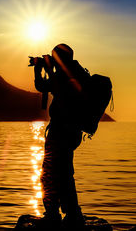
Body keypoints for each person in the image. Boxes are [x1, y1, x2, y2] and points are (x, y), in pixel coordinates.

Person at [33, 44, 86, 229]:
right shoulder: (76, 72)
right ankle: (72, 215)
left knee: (49, 174)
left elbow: (41, 85)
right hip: (71, 133)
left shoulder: (64, 76)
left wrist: (39, 70)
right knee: (64, 175)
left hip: (61, 133)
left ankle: (54, 215)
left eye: (55, 58)